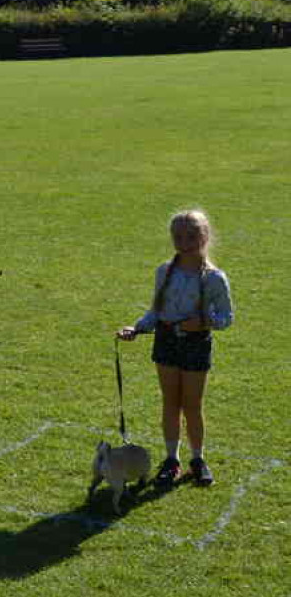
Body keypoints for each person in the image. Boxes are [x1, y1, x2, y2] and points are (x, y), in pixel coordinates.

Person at [116, 209, 233, 488]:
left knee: (192, 406)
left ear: (204, 237)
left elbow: (227, 318)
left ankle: (197, 459)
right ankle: (171, 460)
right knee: (170, 403)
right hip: (166, 342)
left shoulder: (215, 278)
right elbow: (155, 311)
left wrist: (204, 322)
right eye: (178, 236)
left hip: (196, 345)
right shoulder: (164, 272)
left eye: (192, 236)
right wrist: (137, 328)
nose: (184, 241)